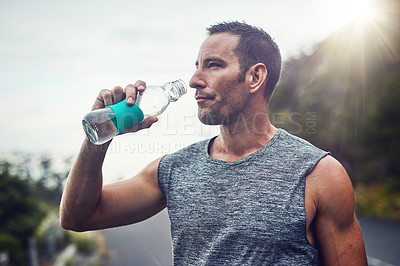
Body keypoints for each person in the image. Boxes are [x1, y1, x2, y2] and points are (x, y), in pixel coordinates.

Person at [60, 21, 367, 265]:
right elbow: (78, 216)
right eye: (197, 65)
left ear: (255, 77)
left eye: (213, 65)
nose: (194, 79)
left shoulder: (318, 174)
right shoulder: (175, 169)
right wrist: (101, 135)